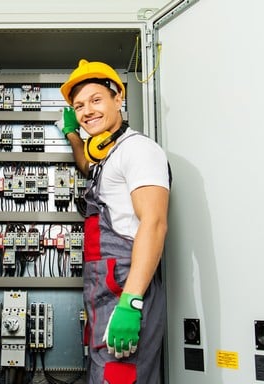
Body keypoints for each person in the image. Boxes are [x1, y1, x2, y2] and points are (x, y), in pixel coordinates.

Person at [58, 59, 171, 384]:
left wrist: (131, 302)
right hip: (104, 292)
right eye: (78, 106)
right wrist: (72, 135)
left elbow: (154, 223)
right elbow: (87, 165)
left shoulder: (138, 150)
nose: (86, 111)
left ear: (118, 98)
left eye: (96, 100)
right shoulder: (108, 153)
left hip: (124, 288)